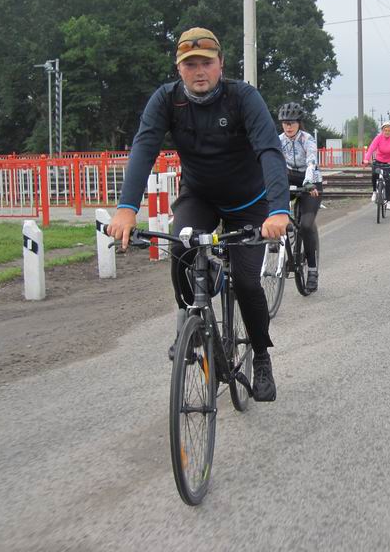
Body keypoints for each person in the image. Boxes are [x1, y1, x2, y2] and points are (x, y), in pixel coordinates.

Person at [106, 27, 290, 402]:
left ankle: (261, 356)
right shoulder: (166, 100)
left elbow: (270, 151)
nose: (199, 70)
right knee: (181, 249)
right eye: (190, 64)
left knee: (248, 282)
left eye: (206, 62)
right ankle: (191, 323)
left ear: (221, 64)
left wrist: (279, 210)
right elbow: (144, 149)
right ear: (179, 68)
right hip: (200, 196)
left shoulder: (243, 98)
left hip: (248, 205)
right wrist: (126, 209)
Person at [277, 101, 322, 292]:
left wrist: (308, 183)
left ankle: (312, 269)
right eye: (285, 123)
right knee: (272, 205)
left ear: (299, 123)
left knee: (305, 225)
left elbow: (312, 161)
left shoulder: (307, 139)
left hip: (310, 181)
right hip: (289, 177)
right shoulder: (278, 140)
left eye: (292, 122)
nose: (288, 126)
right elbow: (273, 163)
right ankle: (276, 241)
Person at [363, 121, 390, 209]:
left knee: (389, 181)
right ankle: (374, 192)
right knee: (374, 174)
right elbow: (371, 148)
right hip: (379, 160)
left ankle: (388, 201)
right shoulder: (378, 138)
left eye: (389, 130)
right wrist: (366, 159)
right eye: (385, 130)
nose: (387, 132)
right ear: (382, 130)